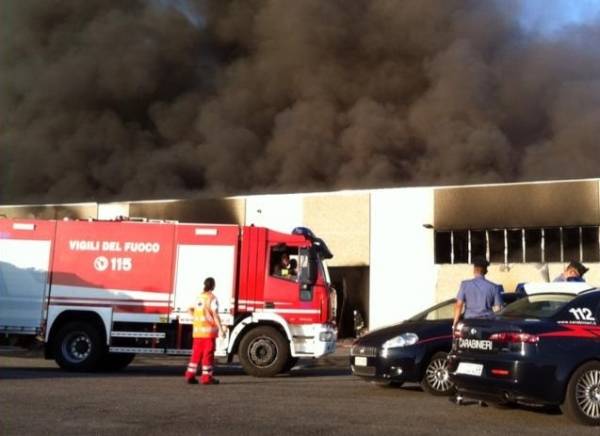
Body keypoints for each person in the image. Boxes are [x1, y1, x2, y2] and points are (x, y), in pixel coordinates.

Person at [184, 277, 225, 385]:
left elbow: (189, 309)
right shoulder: (212, 298)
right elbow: (215, 315)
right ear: (213, 286)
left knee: (196, 354)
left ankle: (190, 375)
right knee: (208, 355)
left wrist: (196, 318)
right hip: (208, 332)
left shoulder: (199, 297)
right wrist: (221, 329)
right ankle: (206, 378)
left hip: (197, 332)